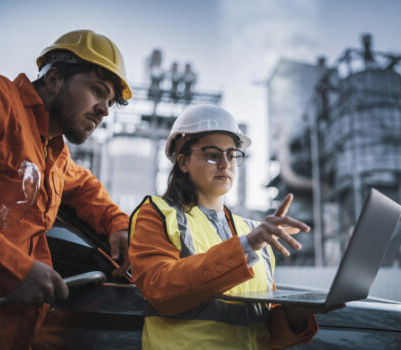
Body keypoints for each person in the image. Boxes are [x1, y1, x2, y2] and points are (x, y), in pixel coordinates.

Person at [129, 104, 343, 349]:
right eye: (212, 154)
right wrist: (246, 246)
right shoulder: (157, 214)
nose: (225, 164)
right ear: (183, 162)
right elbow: (161, 291)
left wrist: (298, 314)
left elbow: (260, 325)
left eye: (231, 155)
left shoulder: (253, 233)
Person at [0, 29, 132, 349]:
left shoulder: (55, 152)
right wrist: (17, 270)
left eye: (109, 102)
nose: (104, 110)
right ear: (53, 79)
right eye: (97, 91)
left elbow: (85, 187)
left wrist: (118, 224)